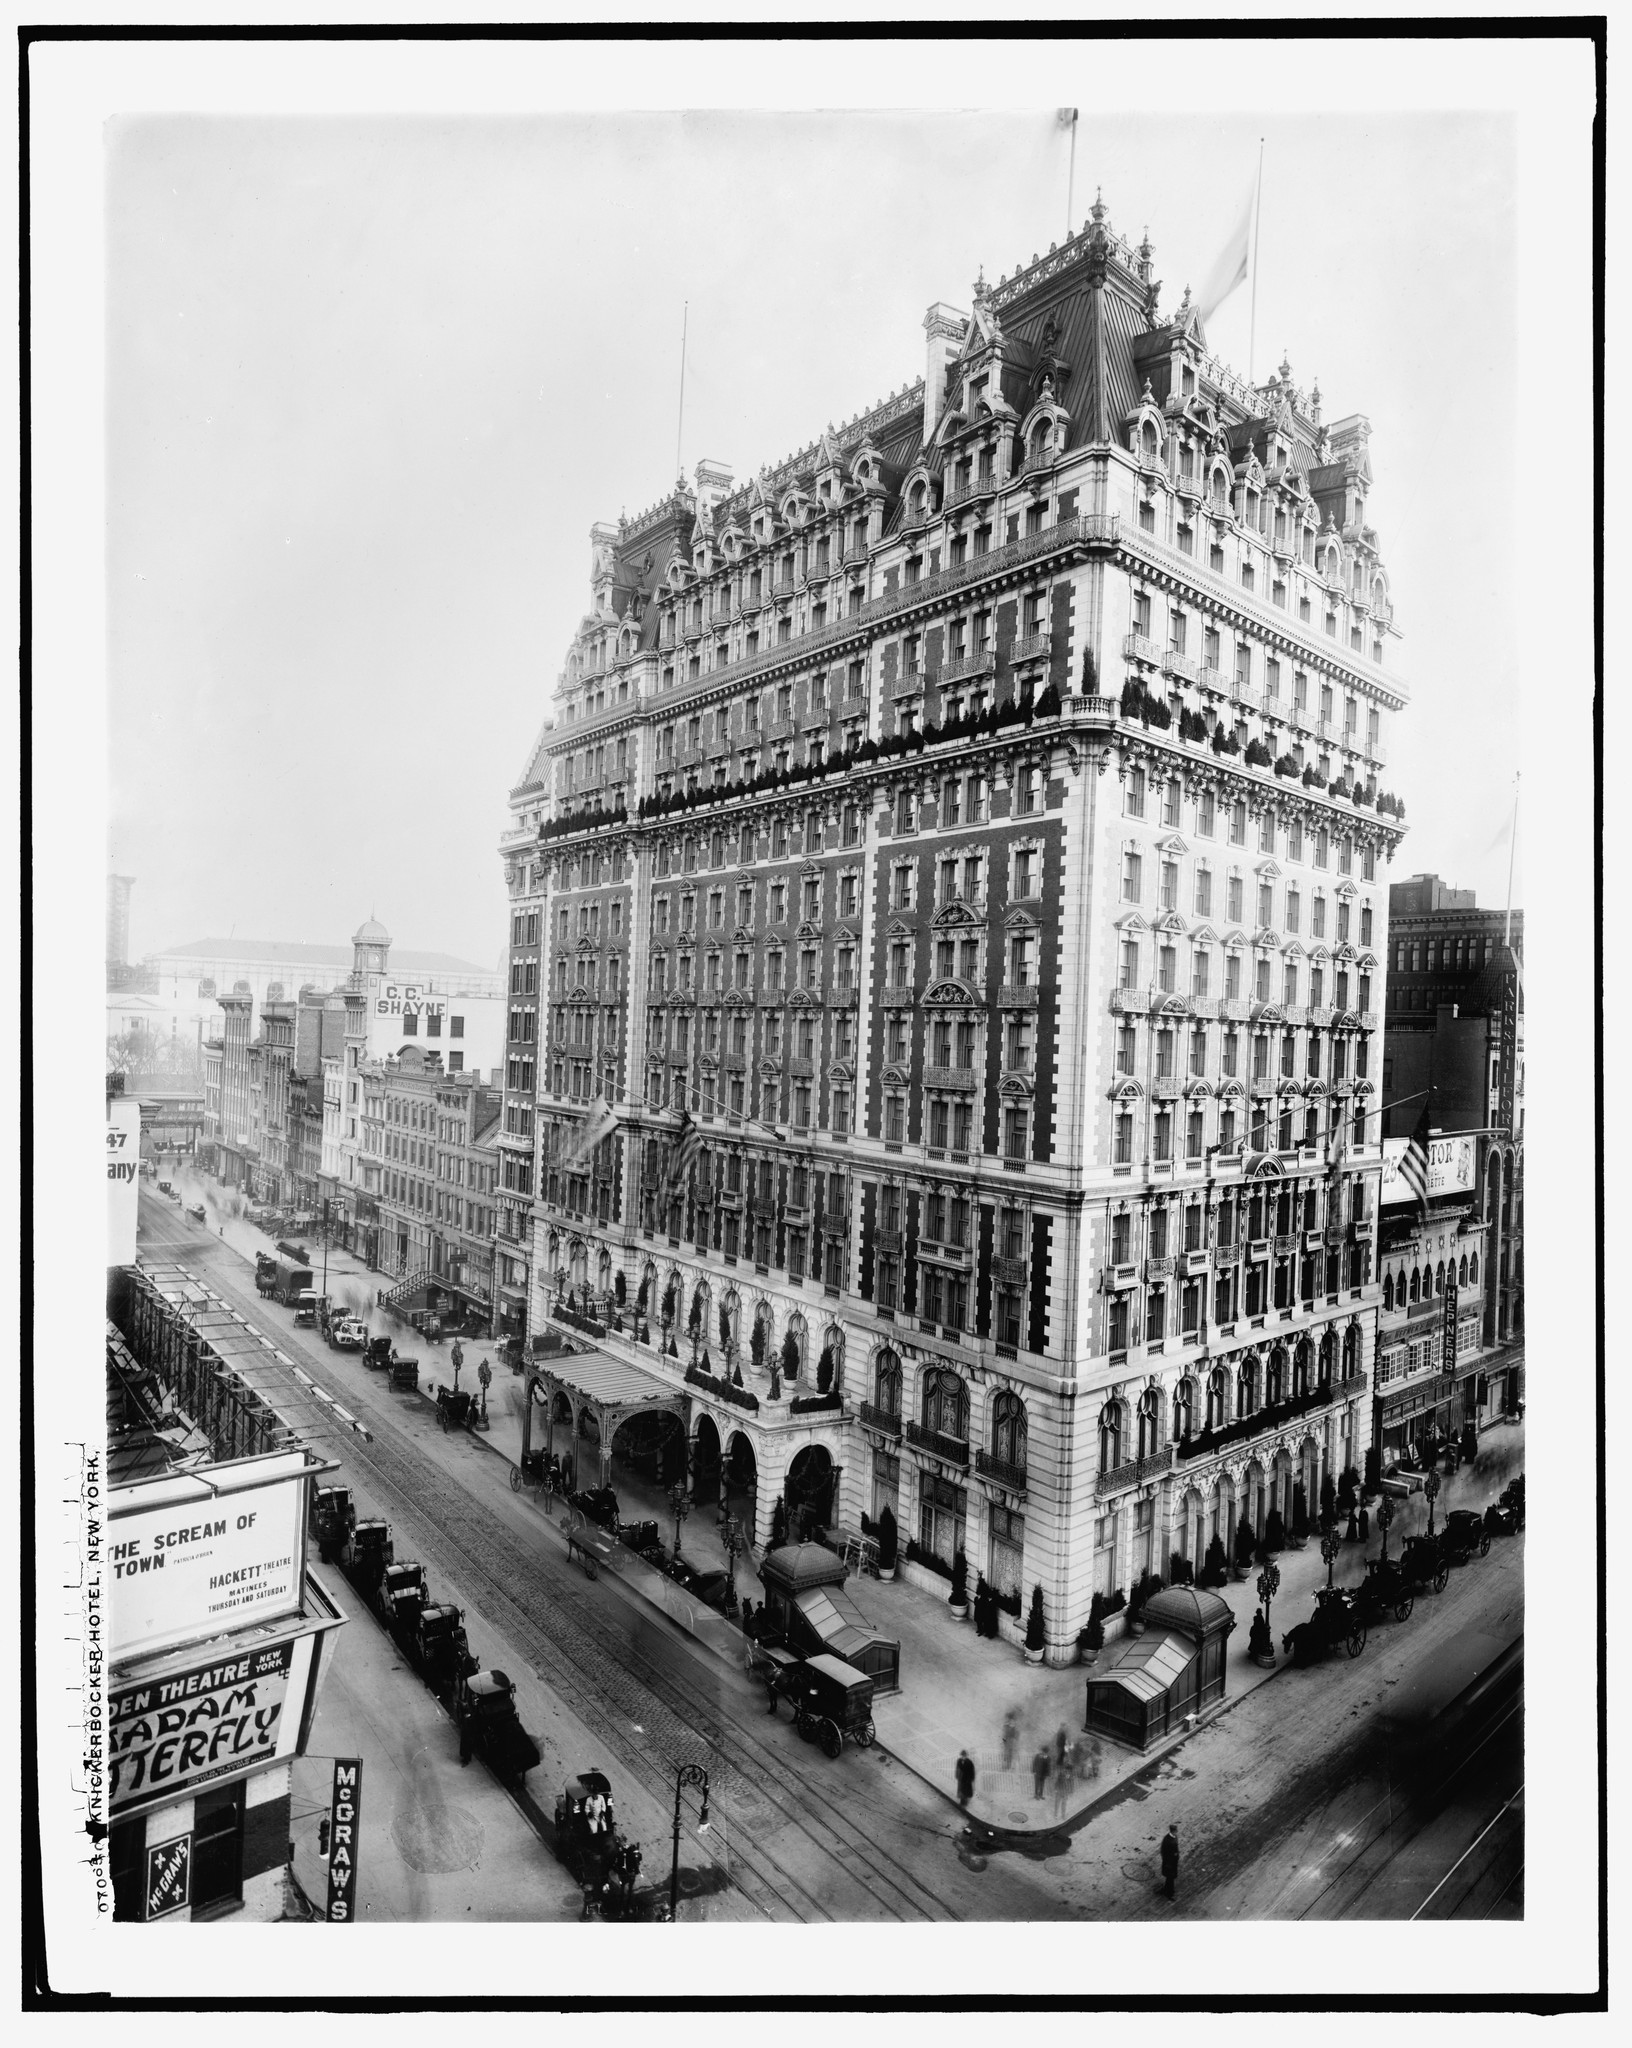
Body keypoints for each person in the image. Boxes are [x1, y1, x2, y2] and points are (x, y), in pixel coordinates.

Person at [1159, 1823, 1179, 1899]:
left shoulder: (1171, 1837)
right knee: (1170, 1877)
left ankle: (1166, 1890)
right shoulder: (1168, 1840)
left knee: (1170, 1877)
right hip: (1169, 1863)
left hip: (1173, 1862)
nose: (1176, 1832)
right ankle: (1169, 1893)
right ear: (1173, 1831)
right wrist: (1167, 1862)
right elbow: (1163, 1851)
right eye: (1175, 1830)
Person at [1001, 1707, 1019, 1772]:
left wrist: (1015, 1740)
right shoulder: (1006, 1725)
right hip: (1008, 1741)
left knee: (1009, 1754)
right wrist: (1004, 1740)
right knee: (1006, 1753)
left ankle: (1008, 1766)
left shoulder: (1013, 1725)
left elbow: (1016, 1735)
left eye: (1009, 1718)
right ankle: (1005, 1766)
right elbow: (1004, 1734)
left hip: (1011, 1741)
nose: (1009, 1720)